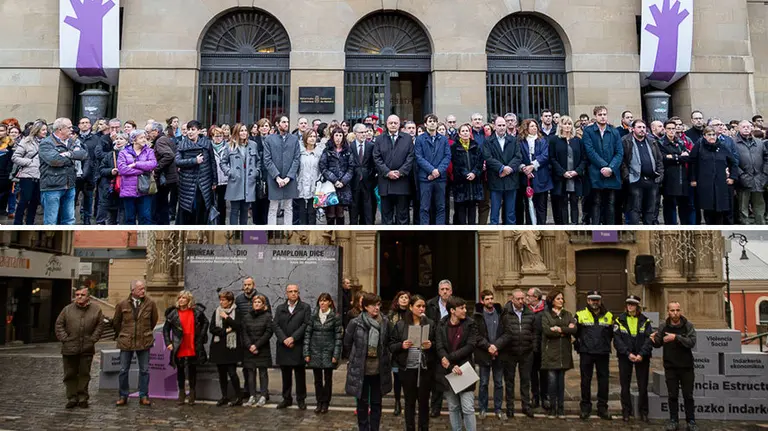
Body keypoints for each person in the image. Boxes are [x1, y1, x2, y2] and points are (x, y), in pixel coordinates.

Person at [344, 292, 392, 431]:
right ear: (365, 307)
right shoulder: (355, 322)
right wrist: (355, 358)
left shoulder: (385, 322)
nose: (376, 308)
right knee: (362, 403)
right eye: (372, 305)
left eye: (378, 305)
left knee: (377, 403)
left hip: (378, 370)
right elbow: (347, 343)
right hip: (361, 370)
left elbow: (389, 342)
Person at [389, 295, 436, 431]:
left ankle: (423, 427)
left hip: (424, 369)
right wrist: (402, 345)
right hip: (407, 368)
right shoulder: (401, 324)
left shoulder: (430, 323)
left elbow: (438, 345)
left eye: (423, 306)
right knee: (409, 402)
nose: (421, 309)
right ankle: (410, 427)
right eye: (418, 306)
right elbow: (391, 345)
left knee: (424, 403)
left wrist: (430, 345)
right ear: (411, 307)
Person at [651, 302, 698, 431]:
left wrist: (676, 337)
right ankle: (673, 420)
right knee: (672, 395)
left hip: (686, 366)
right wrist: (652, 339)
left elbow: (692, 342)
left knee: (688, 395)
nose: (675, 313)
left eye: (677, 310)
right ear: (668, 311)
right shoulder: (663, 326)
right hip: (670, 366)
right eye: (672, 310)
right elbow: (658, 343)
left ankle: (691, 421)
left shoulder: (688, 325)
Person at [55, 286, 104, 408]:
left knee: (84, 374)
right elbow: (59, 325)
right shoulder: (67, 310)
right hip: (69, 348)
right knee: (70, 374)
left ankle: (82, 398)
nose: (79, 297)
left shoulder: (96, 310)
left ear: (88, 297)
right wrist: (65, 339)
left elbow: (100, 325)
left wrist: (92, 339)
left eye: (82, 295)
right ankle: (72, 397)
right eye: (77, 294)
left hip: (87, 348)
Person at [113, 280, 159, 406]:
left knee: (144, 370)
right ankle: (123, 395)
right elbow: (116, 322)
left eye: (144, 289)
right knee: (123, 370)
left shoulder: (150, 304)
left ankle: (143, 395)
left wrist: (145, 332)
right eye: (140, 289)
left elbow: (153, 320)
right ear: (132, 291)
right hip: (126, 341)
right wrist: (124, 333)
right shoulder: (122, 304)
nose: (143, 291)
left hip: (144, 341)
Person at [436, 297, 477, 431]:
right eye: (462, 308)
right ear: (452, 311)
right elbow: (439, 345)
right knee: (453, 407)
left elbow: (470, 345)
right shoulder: (441, 324)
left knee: (468, 408)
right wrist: (447, 363)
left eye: (465, 307)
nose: (465, 310)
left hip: (464, 369)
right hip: (448, 371)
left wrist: (449, 358)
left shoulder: (470, 324)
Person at [163, 291, 209, 406]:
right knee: (180, 369)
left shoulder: (196, 312)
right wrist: (168, 342)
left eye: (184, 298)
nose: (181, 300)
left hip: (192, 343)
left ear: (189, 300)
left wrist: (201, 335)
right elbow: (166, 329)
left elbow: (205, 322)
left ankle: (192, 392)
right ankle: (182, 393)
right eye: (180, 298)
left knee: (192, 369)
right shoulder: (173, 313)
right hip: (179, 344)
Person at [38, 118, 88, 225]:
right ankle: (50, 241)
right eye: (69, 127)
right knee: (51, 220)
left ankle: (67, 240)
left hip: (69, 185)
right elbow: (55, 160)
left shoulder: (71, 141)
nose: (72, 130)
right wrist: (73, 156)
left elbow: (83, 154)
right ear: (60, 129)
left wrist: (68, 154)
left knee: (69, 219)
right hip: (52, 186)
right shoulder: (46, 143)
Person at [575, 290, 614, 420]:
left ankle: (602, 408)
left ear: (600, 300)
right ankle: (585, 408)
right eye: (592, 299)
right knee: (585, 381)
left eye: (597, 299)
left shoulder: (609, 315)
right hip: (586, 352)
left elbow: (611, 334)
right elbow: (575, 333)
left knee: (603, 382)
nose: (595, 302)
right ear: (588, 301)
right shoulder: (580, 314)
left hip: (602, 352)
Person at [613, 295, 653, 423]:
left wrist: (641, 354)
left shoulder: (645, 321)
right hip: (626, 356)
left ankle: (644, 411)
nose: (630, 306)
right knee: (625, 385)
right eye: (628, 304)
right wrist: (627, 353)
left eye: (633, 304)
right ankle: (626, 411)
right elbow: (617, 340)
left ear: (637, 306)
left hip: (642, 357)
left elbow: (649, 339)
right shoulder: (619, 320)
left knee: (643, 386)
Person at [273, 284, 311, 409]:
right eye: (291, 291)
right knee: (286, 375)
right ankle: (286, 398)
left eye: (295, 291)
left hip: (297, 345)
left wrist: (293, 338)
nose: (293, 293)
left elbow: (305, 324)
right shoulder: (280, 308)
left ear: (298, 293)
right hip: (284, 346)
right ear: (286, 293)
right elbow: (276, 325)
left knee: (300, 375)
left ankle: (301, 399)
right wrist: (284, 339)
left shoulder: (305, 308)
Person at [582, 106, 623, 224]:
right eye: (600, 115)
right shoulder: (588, 131)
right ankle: (596, 229)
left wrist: (611, 167)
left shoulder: (614, 131)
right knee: (596, 202)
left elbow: (619, 152)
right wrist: (604, 166)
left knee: (610, 203)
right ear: (595, 116)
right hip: (596, 172)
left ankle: (609, 230)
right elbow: (590, 151)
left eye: (605, 114)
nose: (603, 117)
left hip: (612, 173)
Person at [689, 126, 737, 224]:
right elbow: (692, 163)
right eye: (709, 135)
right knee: (708, 210)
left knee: (720, 210)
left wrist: (732, 177)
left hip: (720, 183)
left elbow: (733, 162)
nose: (712, 137)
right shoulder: (699, 146)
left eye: (713, 134)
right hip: (705, 183)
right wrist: (693, 179)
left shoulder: (723, 147)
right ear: (704, 136)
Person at [303, 293, 343, 414]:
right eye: (321, 300)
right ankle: (319, 401)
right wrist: (306, 353)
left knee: (328, 379)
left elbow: (338, 338)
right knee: (317, 380)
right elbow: (307, 335)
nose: (322, 303)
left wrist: (336, 355)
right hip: (315, 351)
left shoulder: (335, 316)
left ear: (330, 302)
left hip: (328, 351)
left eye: (325, 301)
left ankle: (326, 402)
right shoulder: (313, 316)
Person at [540, 289, 576, 418]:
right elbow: (547, 331)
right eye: (558, 299)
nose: (561, 301)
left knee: (561, 383)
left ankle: (561, 409)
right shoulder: (546, 315)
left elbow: (574, 329)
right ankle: (552, 408)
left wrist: (559, 329)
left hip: (564, 353)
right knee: (552, 382)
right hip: (551, 353)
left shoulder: (567, 314)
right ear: (552, 301)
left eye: (562, 299)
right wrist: (565, 330)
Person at [620, 119, 664, 225]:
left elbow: (659, 160)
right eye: (639, 127)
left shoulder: (652, 141)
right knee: (635, 210)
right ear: (633, 129)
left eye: (644, 127)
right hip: (635, 180)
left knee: (650, 211)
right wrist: (627, 177)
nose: (642, 130)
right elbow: (622, 161)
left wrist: (659, 175)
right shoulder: (625, 141)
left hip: (652, 180)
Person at [500, 289, 536, 418]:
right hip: (510, 352)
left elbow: (535, 332)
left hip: (526, 352)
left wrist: (533, 348)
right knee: (509, 382)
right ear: (512, 299)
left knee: (525, 381)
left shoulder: (530, 313)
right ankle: (510, 407)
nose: (521, 301)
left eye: (523, 298)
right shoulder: (505, 313)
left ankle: (526, 406)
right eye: (518, 299)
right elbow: (502, 332)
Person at [373, 115, 414, 225]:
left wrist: (400, 172)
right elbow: (376, 157)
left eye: (395, 123)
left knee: (403, 216)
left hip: (402, 183)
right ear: (386, 124)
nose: (393, 125)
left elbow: (410, 157)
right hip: (385, 183)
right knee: (386, 216)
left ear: (399, 124)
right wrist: (387, 172)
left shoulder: (407, 138)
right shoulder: (379, 139)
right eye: (391, 123)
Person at [473, 290, 506, 420]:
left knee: (498, 383)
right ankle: (483, 408)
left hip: (499, 353)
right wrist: (488, 347)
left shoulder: (500, 313)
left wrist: (496, 346)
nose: (490, 301)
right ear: (482, 301)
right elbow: (476, 335)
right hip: (484, 353)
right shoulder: (477, 316)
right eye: (487, 299)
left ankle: (498, 408)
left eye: (491, 298)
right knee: (484, 383)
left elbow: (506, 332)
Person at [175, 120, 217, 225]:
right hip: (187, 183)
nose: (190, 132)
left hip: (204, 182)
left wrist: (214, 181)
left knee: (202, 209)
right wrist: (194, 161)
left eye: (193, 129)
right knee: (187, 211)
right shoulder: (181, 144)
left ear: (199, 131)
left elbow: (212, 162)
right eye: (188, 129)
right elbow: (177, 161)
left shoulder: (206, 144)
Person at [220, 123, 261, 225]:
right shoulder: (229, 146)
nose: (244, 133)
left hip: (249, 181)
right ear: (236, 132)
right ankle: (234, 234)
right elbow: (223, 162)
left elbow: (258, 161)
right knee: (234, 210)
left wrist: (256, 171)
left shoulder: (253, 145)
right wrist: (230, 172)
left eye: (245, 131)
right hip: (235, 181)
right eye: (241, 131)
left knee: (245, 209)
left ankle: (243, 233)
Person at [484, 117, 523, 225]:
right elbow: (488, 158)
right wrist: (502, 168)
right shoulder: (488, 141)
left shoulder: (514, 140)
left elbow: (518, 157)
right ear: (494, 126)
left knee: (511, 212)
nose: (501, 128)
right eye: (499, 125)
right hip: (496, 178)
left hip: (511, 179)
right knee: (495, 212)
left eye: (503, 125)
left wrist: (508, 169)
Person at [549, 116, 587, 225]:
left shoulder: (578, 141)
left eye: (569, 124)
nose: (567, 126)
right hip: (561, 177)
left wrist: (577, 171)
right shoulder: (554, 140)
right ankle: (565, 226)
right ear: (560, 125)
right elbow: (552, 158)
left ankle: (575, 224)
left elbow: (584, 159)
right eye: (565, 124)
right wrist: (562, 172)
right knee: (563, 202)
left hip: (575, 176)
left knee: (575, 202)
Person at [414, 114, 451, 225]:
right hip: (425, 178)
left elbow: (447, 156)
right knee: (424, 207)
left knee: (441, 207)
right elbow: (419, 157)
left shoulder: (443, 139)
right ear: (425, 124)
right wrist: (431, 170)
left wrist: (438, 171)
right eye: (430, 121)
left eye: (434, 121)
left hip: (440, 178)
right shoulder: (420, 139)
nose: (432, 123)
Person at [264, 116, 301, 225]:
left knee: (288, 207)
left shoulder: (294, 139)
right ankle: (271, 232)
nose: (286, 124)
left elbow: (296, 159)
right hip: (274, 178)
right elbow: (267, 160)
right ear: (277, 124)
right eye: (283, 122)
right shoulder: (269, 139)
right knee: (273, 207)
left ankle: (287, 232)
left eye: (287, 122)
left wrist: (289, 177)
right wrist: (277, 177)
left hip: (290, 179)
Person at [209, 290, 243, 406]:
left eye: (223, 300)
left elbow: (238, 326)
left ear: (230, 302)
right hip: (219, 347)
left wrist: (227, 318)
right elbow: (212, 328)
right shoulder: (217, 311)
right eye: (221, 300)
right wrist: (225, 331)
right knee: (221, 374)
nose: (221, 302)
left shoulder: (236, 312)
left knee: (232, 373)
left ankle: (239, 396)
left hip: (231, 348)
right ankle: (224, 396)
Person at [517, 119, 553, 225]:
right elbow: (518, 156)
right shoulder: (520, 142)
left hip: (541, 178)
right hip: (526, 179)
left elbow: (545, 155)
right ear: (526, 128)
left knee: (541, 206)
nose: (534, 128)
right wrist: (524, 168)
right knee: (529, 205)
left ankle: (541, 226)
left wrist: (533, 166)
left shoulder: (542, 140)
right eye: (532, 126)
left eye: (535, 126)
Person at [117, 130, 157, 225]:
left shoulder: (149, 151)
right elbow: (122, 170)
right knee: (130, 218)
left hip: (145, 189)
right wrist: (141, 171)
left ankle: (146, 239)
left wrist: (136, 164)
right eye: (141, 138)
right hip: (128, 189)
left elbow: (153, 164)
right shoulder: (124, 153)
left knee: (146, 217)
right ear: (134, 140)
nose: (144, 140)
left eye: (145, 137)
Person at [425, 280, 452, 417]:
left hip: (451, 346)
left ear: (451, 291)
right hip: (433, 345)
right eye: (442, 289)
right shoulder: (430, 305)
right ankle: (435, 407)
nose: (445, 291)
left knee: (453, 376)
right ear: (438, 291)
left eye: (447, 289)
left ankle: (457, 407)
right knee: (435, 378)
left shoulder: (456, 304)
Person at [733, 120, 768, 224]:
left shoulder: (759, 142)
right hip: (743, 180)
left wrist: (765, 174)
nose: (746, 128)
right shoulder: (733, 142)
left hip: (759, 179)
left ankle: (761, 227)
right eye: (743, 126)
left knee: (760, 207)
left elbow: (766, 158)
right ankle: (746, 226)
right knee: (743, 209)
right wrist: (741, 175)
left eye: (748, 126)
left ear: (752, 128)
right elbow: (732, 161)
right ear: (738, 128)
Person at [659, 119, 692, 225]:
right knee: (670, 205)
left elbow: (687, 157)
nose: (672, 131)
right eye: (669, 129)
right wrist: (678, 157)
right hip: (669, 178)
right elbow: (663, 158)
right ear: (664, 130)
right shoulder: (661, 143)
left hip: (682, 177)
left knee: (684, 205)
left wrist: (673, 157)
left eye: (673, 128)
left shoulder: (680, 142)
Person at [320, 127, 356, 225]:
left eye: (340, 135)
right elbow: (323, 167)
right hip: (330, 185)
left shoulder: (348, 150)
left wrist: (343, 181)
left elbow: (351, 167)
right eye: (336, 135)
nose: (338, 138)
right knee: (331, 212)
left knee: (340, 212)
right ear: (332, 137)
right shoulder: (327, 150)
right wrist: (334, 180)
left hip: (343, 186)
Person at [11, 120, 45, 224]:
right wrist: (29, 162)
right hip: (27, 176)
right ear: (37, 130)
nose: (45, 132)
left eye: (46, 130)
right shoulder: (26, 141)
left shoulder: (47, 142)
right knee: (24, 200)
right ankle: (17, 222)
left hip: (41, 176)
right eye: (43, 130)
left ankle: (30, 222)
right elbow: (15, 157)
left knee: (35, 202)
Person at [242, 294, 273, 407]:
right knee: (250, 373)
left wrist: (257, 345)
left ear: (263, 304)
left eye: (259, 302)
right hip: (249, 350)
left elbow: (268, 332)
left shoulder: (267, 316)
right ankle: (252, 395)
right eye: (255, 302)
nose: (257, 304)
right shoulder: (247, 317)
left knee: (263, 373)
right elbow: (244, 333)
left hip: (262, 349)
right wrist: (250, 346)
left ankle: (263, 395)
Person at [451, 123, 484, 225]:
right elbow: (456, 164)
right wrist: (466, 174)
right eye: (463, 131)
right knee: (461, 211)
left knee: (472, 209)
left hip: (474, 183)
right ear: (459, 134)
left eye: (467, 131)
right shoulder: (454, 147)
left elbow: (479, 162)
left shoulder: (476, 146)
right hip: (461, 183)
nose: (465, 133)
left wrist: (474, 173)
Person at [388, 291, 411, 416]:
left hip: (409, 350)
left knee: (408, 379)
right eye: (401, 297)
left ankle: (408, 403)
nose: (403, 299)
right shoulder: (391, 315)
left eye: (406, 297)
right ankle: (397, 402)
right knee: (397, 379)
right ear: (397, 300)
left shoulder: (412, 314)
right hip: (397, 350)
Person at [149, 122, 178, 225]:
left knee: (158, 206)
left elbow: (169, 155)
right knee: (163, 205)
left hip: (163, 179)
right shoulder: (164, 139)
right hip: (168, 178)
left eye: (148, 132)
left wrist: (156, 168)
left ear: (156, 132)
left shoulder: (160, 141)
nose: (147, 135)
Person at [96, 132, 126, 224]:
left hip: (124, 187)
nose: (118, 141)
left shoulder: (130, 154)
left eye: (121, 139)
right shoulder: (110, 155)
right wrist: (111, 171)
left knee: (122, 213)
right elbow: (101, 169)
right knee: (108, 213)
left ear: (127, 142)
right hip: (109, 187)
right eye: (117, 139)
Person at [294, 129, 322, 225]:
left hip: (314, 186)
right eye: (310, 136)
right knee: (302, 213)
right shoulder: (300, 152)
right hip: (301, 185)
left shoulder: (319, 152)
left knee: (312, 212)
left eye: (314, 136)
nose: (312, 139)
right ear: (305, 138)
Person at [526, 287, 548, 409]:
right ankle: (535, 396)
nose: (527, 298)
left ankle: (545, 397)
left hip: (543, 346)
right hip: (530, 346)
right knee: (532, 373)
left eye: (529, 296)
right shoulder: (526, 309)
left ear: (536, 297)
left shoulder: (546, 309)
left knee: (544, 373)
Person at [350, 123, 376, 224]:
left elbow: (374, 164)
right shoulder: (350, 146)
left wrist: (371, 177)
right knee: (354, 210)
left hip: (368, 183)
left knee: (368, 210)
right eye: (361, 132)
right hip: (354, 183)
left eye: (365, 132)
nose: (364, 134)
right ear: (355, 133)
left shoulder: (371, 146)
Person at [75, 117, 99, 224]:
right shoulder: (75, 137)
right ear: (79, 125)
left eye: (87, 123)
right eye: (82, 123)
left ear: (90, 125)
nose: (85, 125)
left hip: (90, 173)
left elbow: (97, 155)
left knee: (88, 198)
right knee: (73, 197)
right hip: (76, 173)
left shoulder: (96, 138)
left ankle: (87, 220)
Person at [210, 127, 229, 225]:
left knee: (222, 204)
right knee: (212, 203)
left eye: (220, 136)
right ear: (212, 137)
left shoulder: (228, 147)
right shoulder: (209, 148)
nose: (218, 138)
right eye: (216, 136)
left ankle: (222, 224)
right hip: (213, 179)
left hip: (224, 179)